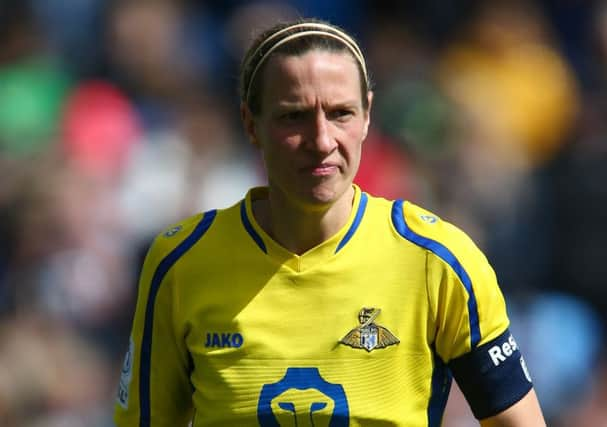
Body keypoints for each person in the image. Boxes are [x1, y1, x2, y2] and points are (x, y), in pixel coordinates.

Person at [113, 18, 546, 427]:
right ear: (251, 123)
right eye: (293, 116)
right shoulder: (183, 263)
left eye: (340, 113)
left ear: (368, 116)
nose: (321, 141)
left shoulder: (437, 259)